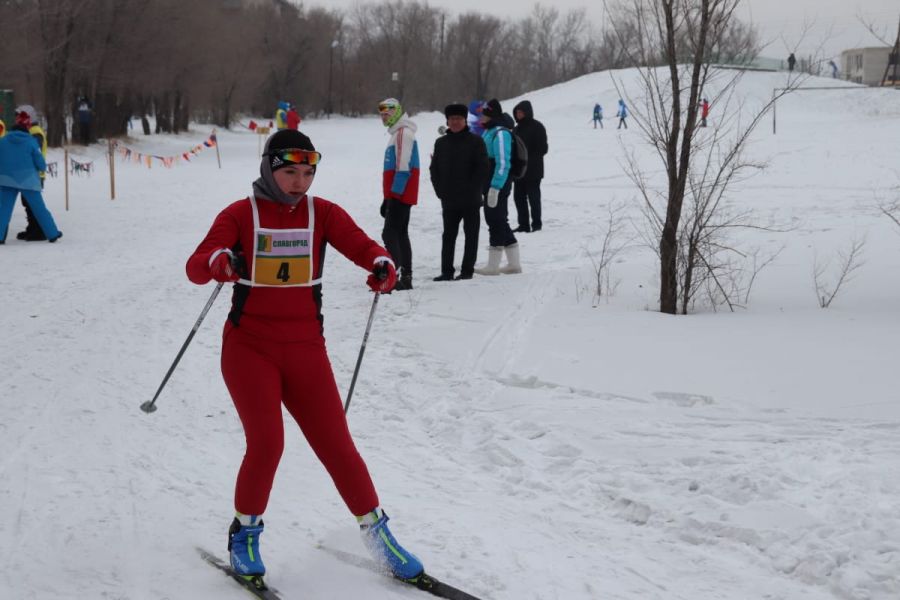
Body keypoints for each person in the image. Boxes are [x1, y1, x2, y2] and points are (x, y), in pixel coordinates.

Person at [185, 128, 423, 589]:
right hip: (250, 348)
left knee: (338, 444)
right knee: (268, 443)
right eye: (290, 171)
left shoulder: (322, 213)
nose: (300, 182)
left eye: (308, 172)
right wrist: (219, 260)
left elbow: (363, 245)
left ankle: (379, 535)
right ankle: (245, 534)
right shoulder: (242, 213)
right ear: (270, 169)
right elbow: (197, 264)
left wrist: (382, 263)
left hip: (306, 350)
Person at [429, 103, 489, 281]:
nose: (455, 122)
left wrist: (473, 189)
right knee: (448, 236)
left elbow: (483, 169)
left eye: (459, 119)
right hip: (449, 199)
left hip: (470, 199)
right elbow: (434, 170)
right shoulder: (441, 143)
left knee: (471, 236)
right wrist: (440, 191)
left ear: (465, 120)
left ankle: (467, 270)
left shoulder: (476, 141)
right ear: (447, 121)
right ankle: (447, 271)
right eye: (452, 119)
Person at [0, 111, 62, 244]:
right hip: (28, 180)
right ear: (27, 128)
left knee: (3, 209)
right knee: (39, 208)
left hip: (6, 179)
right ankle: (52, 234)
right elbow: (40, 163)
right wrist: (42, 168)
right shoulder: (31, 142)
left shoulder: (3, 141)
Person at [475, 98, 521, 275]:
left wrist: (495, 187)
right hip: (489, 184)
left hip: (498, 184)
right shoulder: (489, 131)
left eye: (484, 114)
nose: (481, 117)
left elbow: (503, 163)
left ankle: (493, 266)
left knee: (495, 219)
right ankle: (513, 264)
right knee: (499, 219)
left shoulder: (501, 133)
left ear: (491, 115)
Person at [377, 97, 419, 290]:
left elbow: (403, 168)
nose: (383, 118)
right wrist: (387, 198)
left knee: (390, 233)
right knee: (400, 233)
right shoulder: (397, 133)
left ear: (396, 112)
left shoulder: (403, 133)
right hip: (397, 194)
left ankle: (397, 275)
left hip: (400, 194)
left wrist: (393, 196)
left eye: (387, 114)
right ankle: (406, 276)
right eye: (382, 114)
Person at [512, 100, 548, 234]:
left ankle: (536, 224)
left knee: (534, 198)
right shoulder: (516, 129)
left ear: (527, 112)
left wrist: (529, 156)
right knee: (518, 198)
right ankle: (523, 224)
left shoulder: (538, 127)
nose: (518, 114)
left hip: (534, 169)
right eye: (517, 112)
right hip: (519, 170)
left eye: (520, 112)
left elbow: (543, 148)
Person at [14, 105, 49, 241]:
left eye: (20, 116)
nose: (17, 119)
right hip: (27, 174)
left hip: (34, 174)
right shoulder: (28, 131)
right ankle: (32, 228)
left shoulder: (35, 132)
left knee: (33, 203)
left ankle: (39, 230)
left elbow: (32, 151)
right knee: (27, 202)